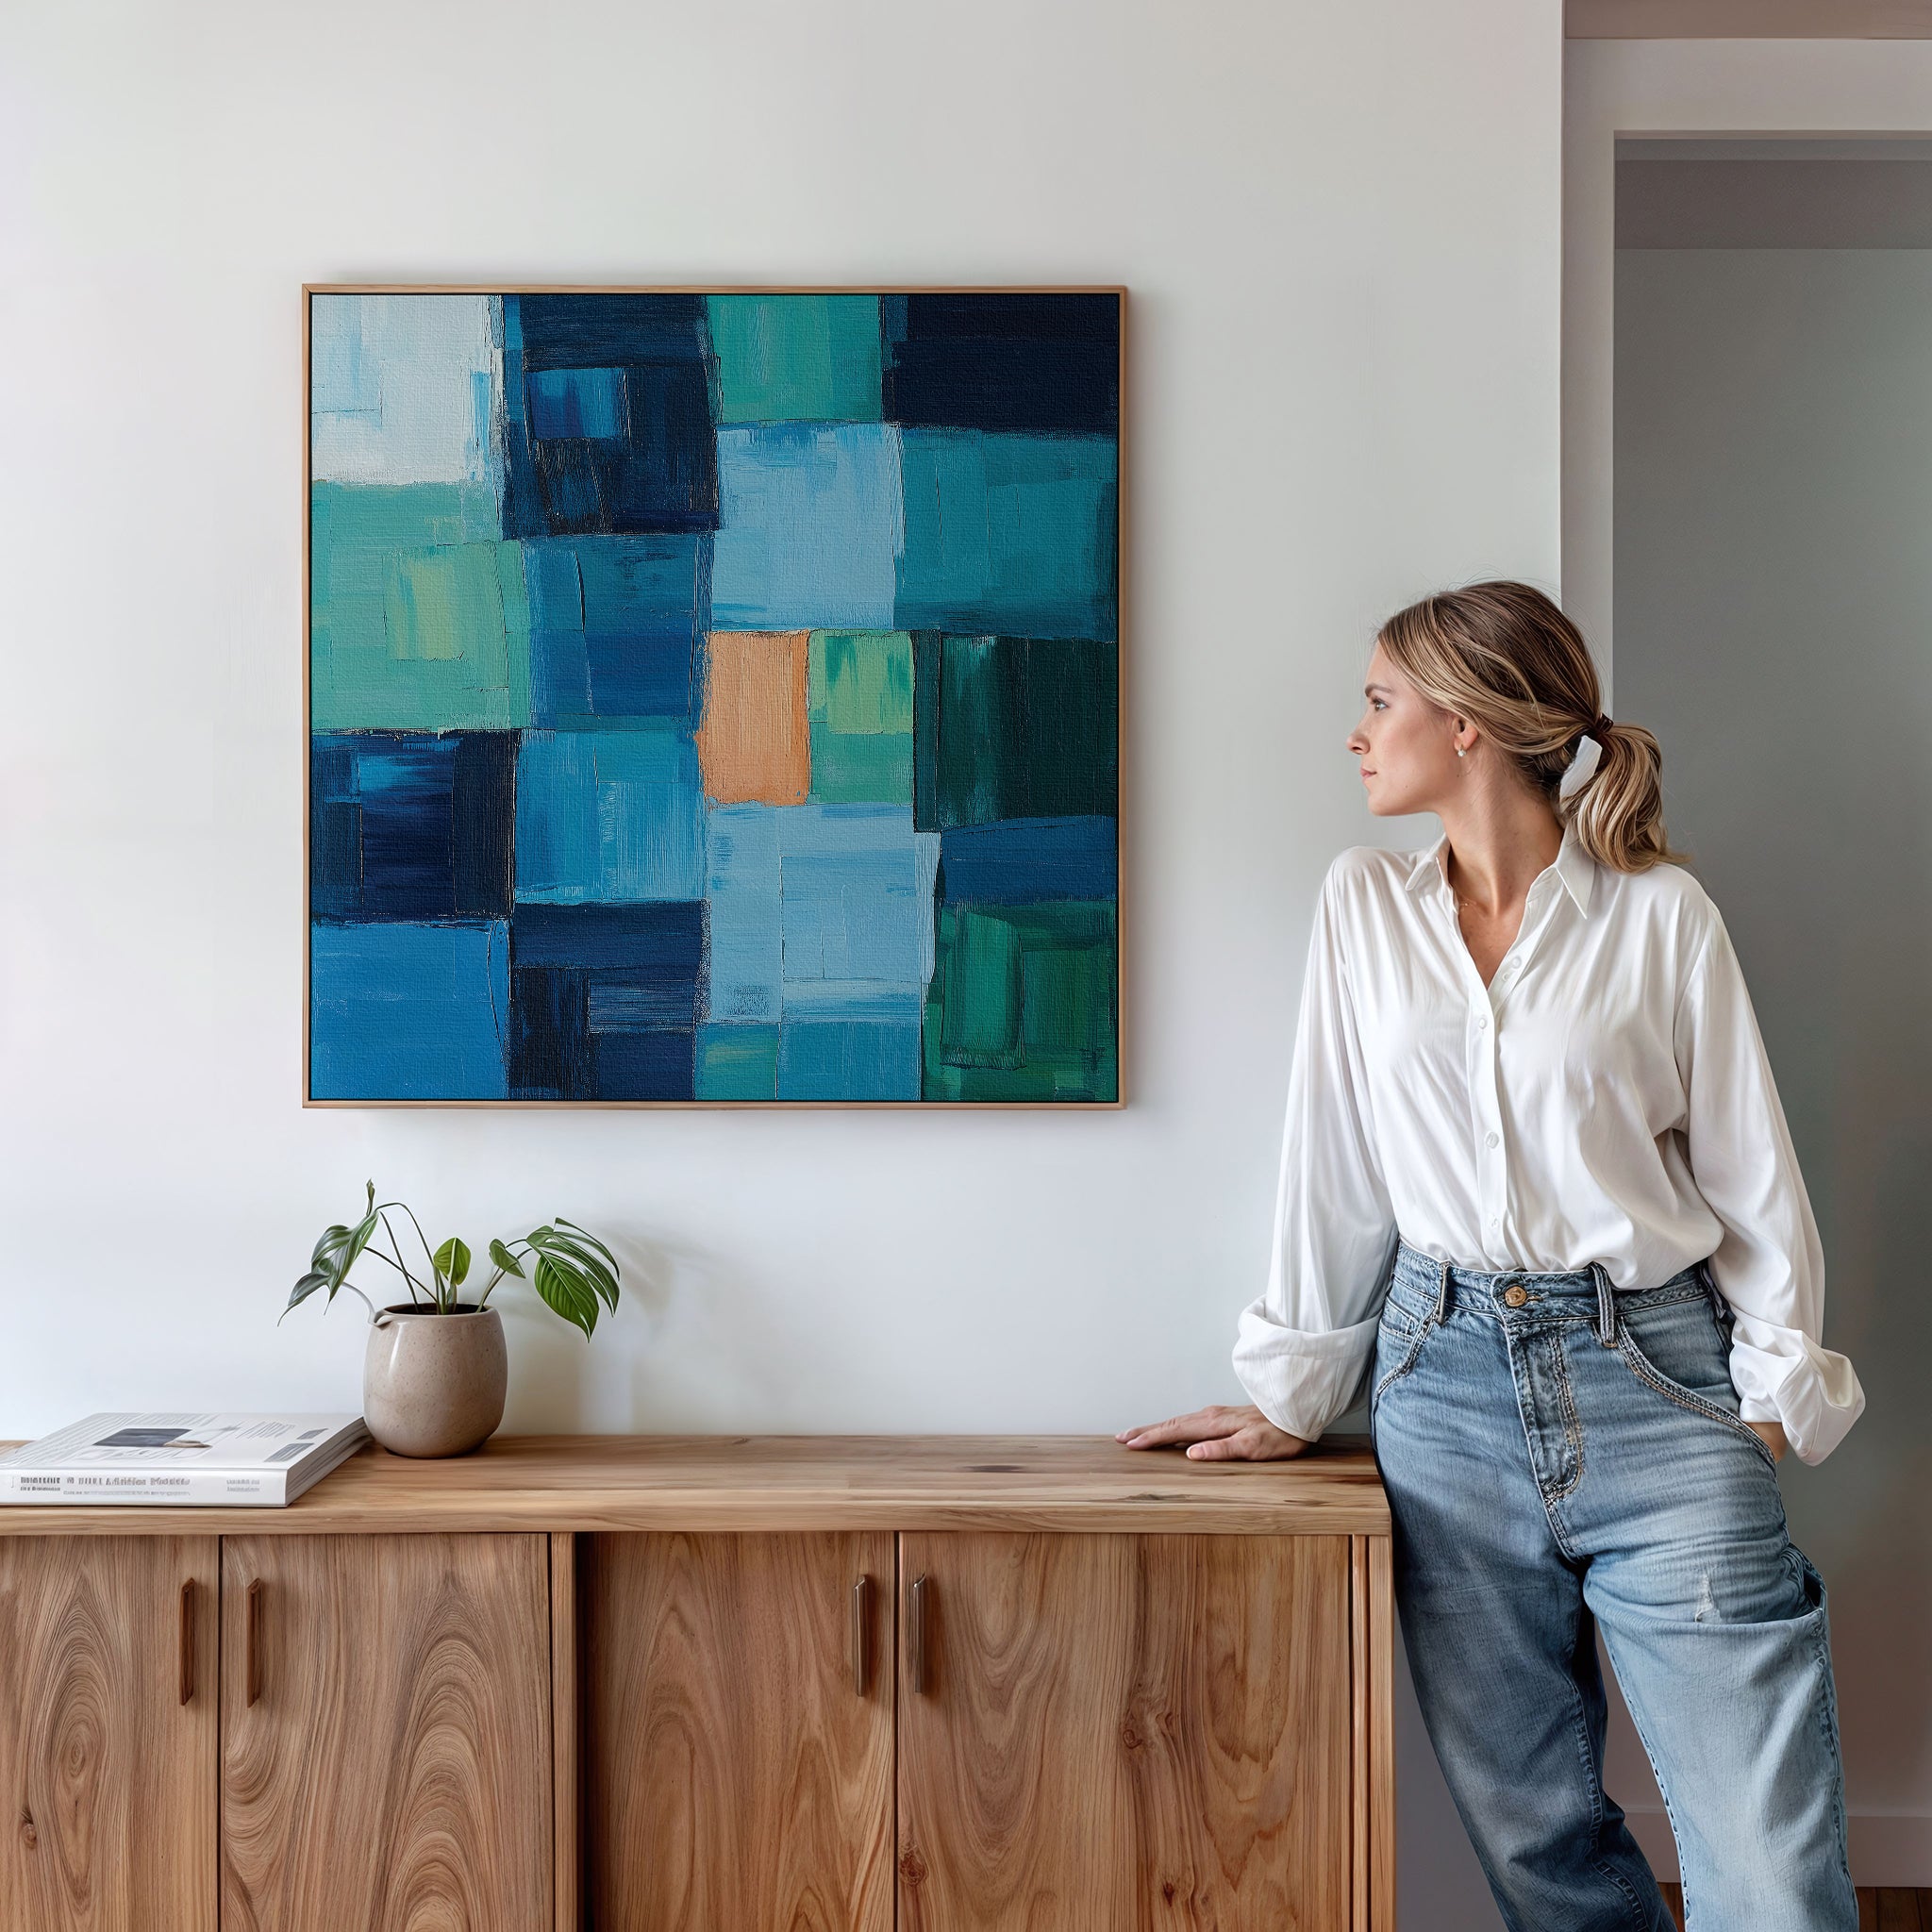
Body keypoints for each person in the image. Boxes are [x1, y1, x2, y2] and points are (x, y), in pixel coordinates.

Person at [1117, 581, 1865, 1931]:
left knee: (1768, 1864)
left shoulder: (1660, 917)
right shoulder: (1362, 909)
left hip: (1659, 1377)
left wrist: (1767, 1395)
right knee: (1539, 1849)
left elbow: (1753, 1172)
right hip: (1441, 1389)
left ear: (1466, 725)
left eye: (1378, 700)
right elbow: (1331, 1162)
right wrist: (1297, 1390)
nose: (1356, 733)